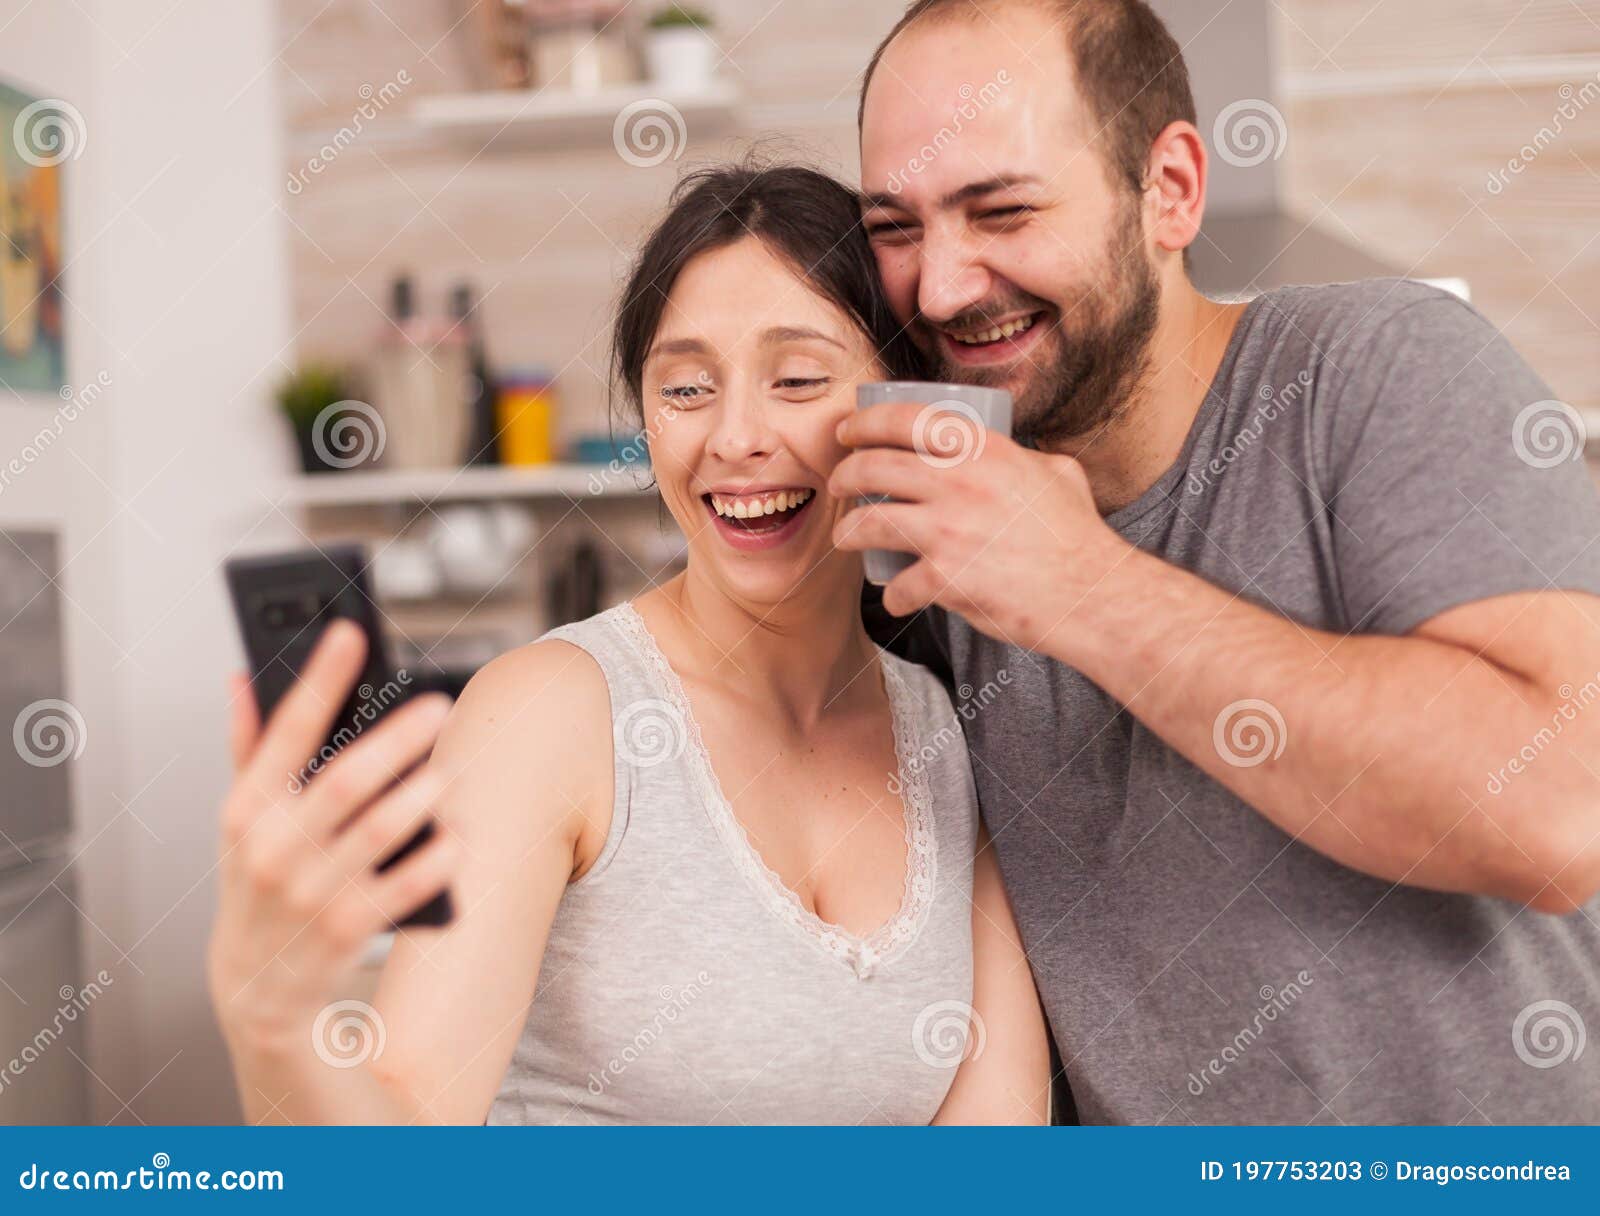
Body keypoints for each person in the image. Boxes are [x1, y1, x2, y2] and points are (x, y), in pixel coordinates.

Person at [834, 0, 1600, 1124]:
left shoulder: (1376, 369)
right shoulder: (947, 522)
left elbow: (1556, 811)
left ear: (1172, 190)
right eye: (894, 228)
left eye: (1000, 210)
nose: (941, 289)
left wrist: (1080, 584)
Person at [207, 163, 1050, 1125]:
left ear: (907, 408)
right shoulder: (553, 716)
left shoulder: (945, 724)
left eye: (800, 379)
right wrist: (271, 1016)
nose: (734, 436)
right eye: (686, 388)